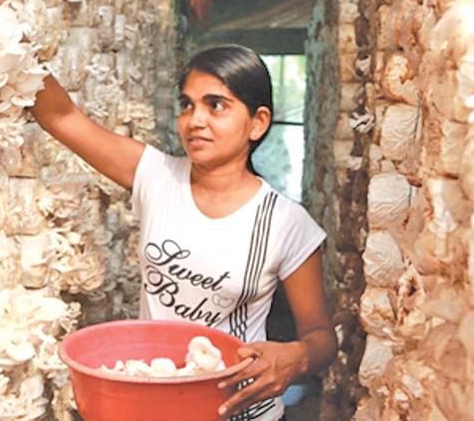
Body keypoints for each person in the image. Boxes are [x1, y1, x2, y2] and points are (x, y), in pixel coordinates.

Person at [27, 44, 337, 421]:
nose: (195, 120)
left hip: (235, 413)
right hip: (153, 405)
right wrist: (4, 25)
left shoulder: (284, 221)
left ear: (257, 122)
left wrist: (295, 356)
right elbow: (60, 116)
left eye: (216, 105)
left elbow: (321, 337)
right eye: (187, 105)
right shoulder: (156, 177)